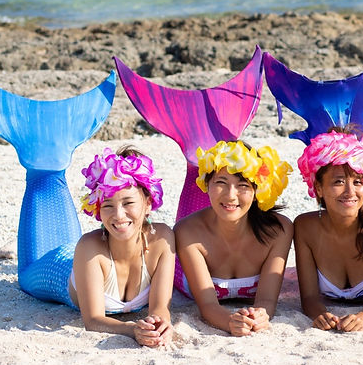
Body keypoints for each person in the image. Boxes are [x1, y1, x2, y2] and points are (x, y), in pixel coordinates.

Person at [174, 140, 294, 337]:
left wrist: (261, 315)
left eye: (243, 185)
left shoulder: (279, 230)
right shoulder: (186, 232)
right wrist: (230, 322)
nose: (231, 195)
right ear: (207, 183)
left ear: (257, 191)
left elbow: (267, 300)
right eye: (221, 182)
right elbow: (208, 304)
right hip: (186, 269)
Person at [294, 129, 363, 332]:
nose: (350, 192)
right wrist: (319, 314)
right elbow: (308, 297)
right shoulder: (304, 227)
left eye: (358, 182)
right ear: (318, 188)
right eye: (338, 182)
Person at [68, 146, 176, 347]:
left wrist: (161, 325)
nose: (118, 215)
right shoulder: (88, 247)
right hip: (61, 270)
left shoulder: (162, 240)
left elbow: (160, 306)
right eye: (108, 205)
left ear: (148, 203)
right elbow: (92, 320)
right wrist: (132, 329)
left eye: (128, 203)